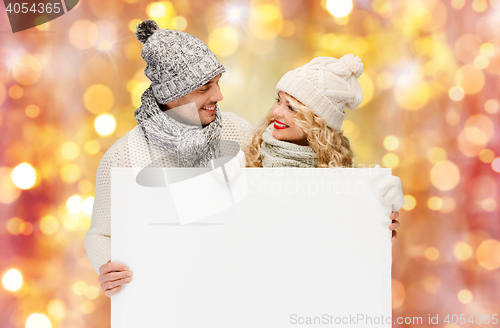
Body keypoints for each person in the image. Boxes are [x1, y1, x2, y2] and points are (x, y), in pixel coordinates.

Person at [85, 21, 402, 298]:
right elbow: (100, 234)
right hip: (172, 300)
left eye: (218, 82)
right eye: (205, 87)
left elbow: (298, 183)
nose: (219, 96)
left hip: (237, 297)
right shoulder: (123, 157)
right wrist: (107, 266)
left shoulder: (238, 132)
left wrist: (368, 210)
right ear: (172, 94)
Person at [245, 55, 404, 239]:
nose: (276, 112)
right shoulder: (249, 150)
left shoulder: (340, 177)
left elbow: (343, 241)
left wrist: (379, 216)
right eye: (278, 100)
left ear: (317, 123)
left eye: (291, 108)